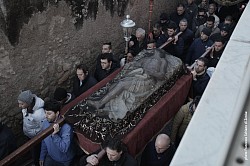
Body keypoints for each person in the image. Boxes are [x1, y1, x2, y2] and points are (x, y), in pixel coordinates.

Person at [88, 48, 182, 121]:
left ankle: (99, 103)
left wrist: (152, 72)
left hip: (147, 81)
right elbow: (136, 64)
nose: (154, 51)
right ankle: (106, 108)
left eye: (155, 51)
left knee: (122, 84)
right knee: (116, 86)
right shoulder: (146, 58)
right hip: (138, 75)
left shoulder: (162, 61)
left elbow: (161, 75)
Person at [39, 100, 75, 166]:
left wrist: (55, 135)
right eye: (45, 113)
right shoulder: (45, 123)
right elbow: (44, 141)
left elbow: (64, 148)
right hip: (50, 157)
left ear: (57, 113)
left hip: (64, 161)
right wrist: (42, 156)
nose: (46, 116)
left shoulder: (66, 127)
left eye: (49, 114)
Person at [18, 90, 45, 166]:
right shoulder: (26, 108)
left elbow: (44, 128)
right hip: (29, 135)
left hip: (36, 138)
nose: (19, 106)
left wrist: (36, 135)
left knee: (37, 153)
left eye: (21, 104)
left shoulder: (39, 114)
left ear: (28, 103)